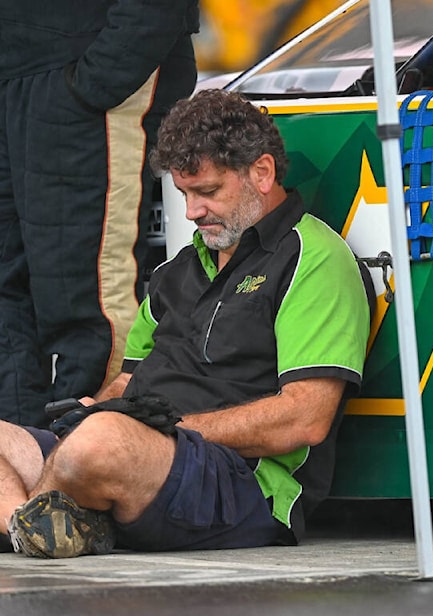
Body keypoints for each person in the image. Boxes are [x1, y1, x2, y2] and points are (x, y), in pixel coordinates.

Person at [0, 88, 371, 558]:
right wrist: (96, 407)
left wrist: (167, 429)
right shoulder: (177, 270)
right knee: (55, 436)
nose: (192, 211)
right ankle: (39, 525)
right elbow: (129, 382)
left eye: (208, 192)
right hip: (140, 455)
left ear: (262, 172)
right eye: (184, 194)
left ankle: (40, 519)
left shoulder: (314, 257)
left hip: (238, 480)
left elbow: (306, 419)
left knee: (98, 444)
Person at [0, 1, 200, 427]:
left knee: (88, 301)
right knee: (9, 299)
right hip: (21, 74)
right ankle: (20, 471)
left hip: (83, 71)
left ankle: (91, 472)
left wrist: (98, 79)